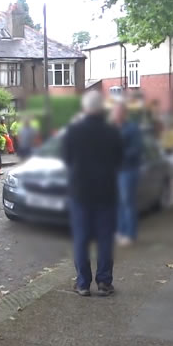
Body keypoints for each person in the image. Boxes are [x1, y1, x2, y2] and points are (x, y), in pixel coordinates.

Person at [61, 91, 124, 297]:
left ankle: (83, 284)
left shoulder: (73, 131)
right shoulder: (112, 131)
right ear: (101, 108)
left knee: (81, 238)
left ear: (85, 108)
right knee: (105, 238)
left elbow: (67, 158)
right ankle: (104, 282)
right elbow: (119, 160)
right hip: (106, 191)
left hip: (80, 192)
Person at [111, 100, 144, 246]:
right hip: (115, 170)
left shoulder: (132, 129)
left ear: (124, 113)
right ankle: (120, 231)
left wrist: (119, 155)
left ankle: (130, 234)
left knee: (127, 202)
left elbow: (136, 150)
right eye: (114, 111)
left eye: (118, 111)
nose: (116, 114)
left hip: (128, 170)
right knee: (117, 202)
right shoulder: (112, 128)